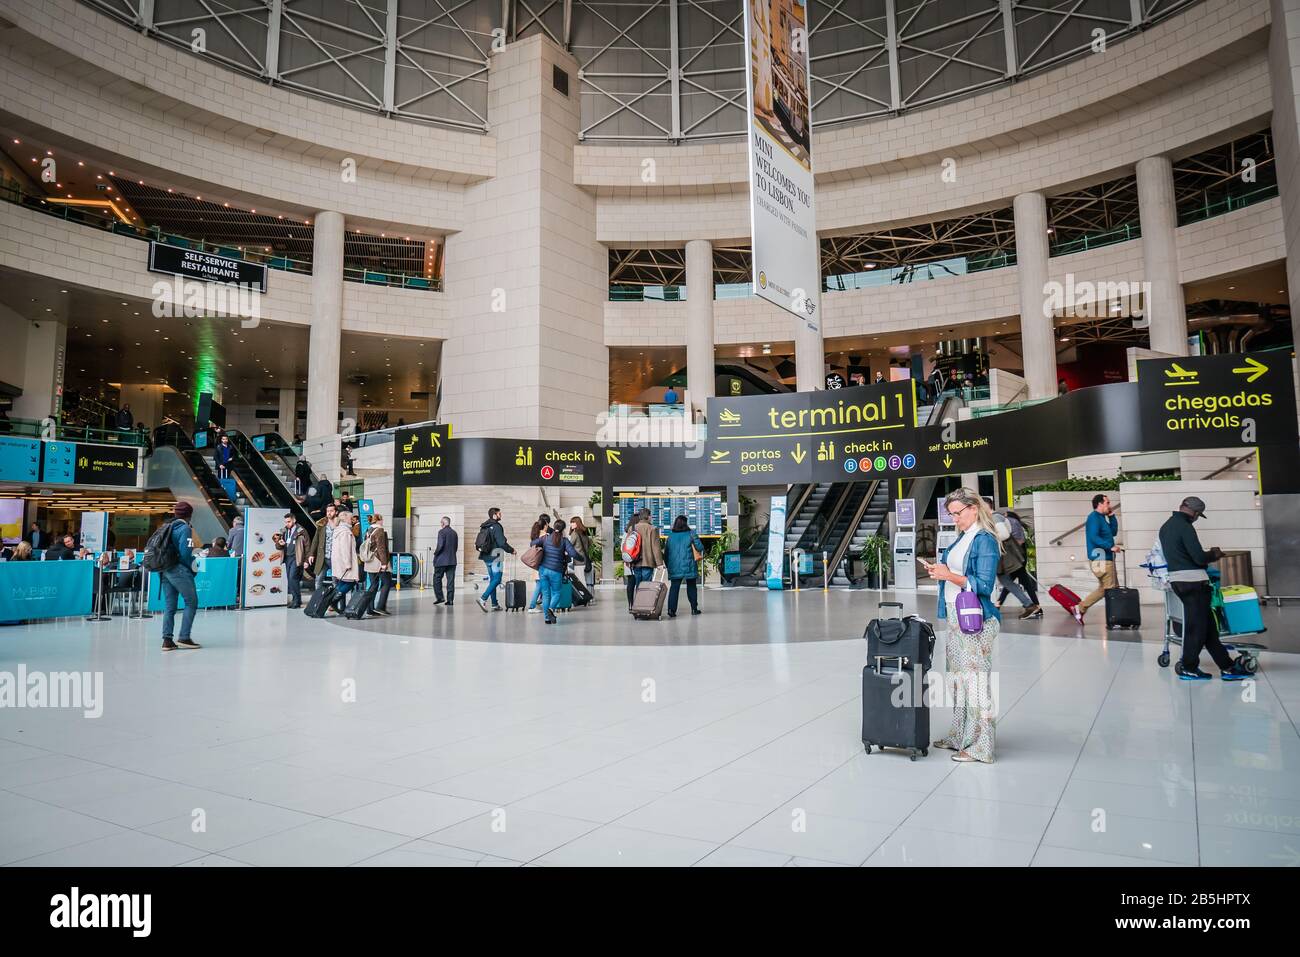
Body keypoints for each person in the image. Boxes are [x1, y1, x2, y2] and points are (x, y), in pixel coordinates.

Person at [926, 488, 1001, 764]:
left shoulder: (985, 540)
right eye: (951, 514)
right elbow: (954, 573)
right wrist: (940, 571)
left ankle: (982, 746)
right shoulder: (962, 538)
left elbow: (983, 585)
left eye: (957, 513)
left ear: (974, 508)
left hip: (976, 622)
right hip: (958, 620)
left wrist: (950, 575)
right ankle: (961, 735)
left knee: (976, 684)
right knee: (958, 682)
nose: (954, 518)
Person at [1160, 496, 1249, 681]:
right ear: (1195, 513)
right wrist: (1214, 554)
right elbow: (1199, 558)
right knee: (1197, 628)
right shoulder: (1186, 527)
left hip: (1178, 581)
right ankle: (1189, 667)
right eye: (1198, 515)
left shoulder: (1166, 527)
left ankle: (1228, 667)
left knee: (1207, 628)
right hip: (1193, 583)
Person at [158, 502, 202, 651]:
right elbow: (185, 553)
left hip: (164, 569)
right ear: (190, 514)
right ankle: (184, 637)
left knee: (170, 606)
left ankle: (167, 640)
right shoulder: (184, 528)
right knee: (191, 602)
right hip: (179, 569)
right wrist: (193, 567)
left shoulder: (167, 526)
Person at [986, 499, 1039, 619]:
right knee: (1007, 581)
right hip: (1008, 556)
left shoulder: (995, 518)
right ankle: (1030, 605)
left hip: (1004, 557)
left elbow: (1004, 534)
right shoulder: (997, 517)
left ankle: (1030, 605)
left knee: (1007, 581)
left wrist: (990, 537)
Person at [1076, 493, 1121, 623]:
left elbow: (1113, 532)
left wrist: (1112, 516)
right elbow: (1093, 537)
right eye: (1107, 503)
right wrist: (1110, 546)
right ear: (1100, 504)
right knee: (1110, 588)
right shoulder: (1094, 518)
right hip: (1100, 558)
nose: (1109, 505)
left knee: (1107, 588)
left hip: (1104, 558)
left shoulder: (1101, 518)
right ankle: (1114, 618)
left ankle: (1081, 608)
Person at [529, 520, 580, 625]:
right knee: (556, 593)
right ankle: (551, 609)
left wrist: (542, 546)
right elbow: (573, 553)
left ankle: (547, 618)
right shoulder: (564, 540)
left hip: (543, 570)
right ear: (563, 529)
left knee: (546, 594)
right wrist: (581, 557)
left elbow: (532, 543)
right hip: (556, 571)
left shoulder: (545, 538)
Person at [663, 515, 704, 617]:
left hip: (674, 566)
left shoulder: (670, 536)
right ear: (686, 523)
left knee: (674, 588)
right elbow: (700, 547)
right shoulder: (691, 534)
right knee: (691, 586)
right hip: (689, 565)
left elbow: (666, 554)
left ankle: (671, 610)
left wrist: (669, 566)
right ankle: (694, 608)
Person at [475, 507, 514, 612]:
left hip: (486, 556)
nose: (501, 515)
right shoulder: (496, 526)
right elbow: (501, 543)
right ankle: (483, 598)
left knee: (493, 580)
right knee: (497, 579)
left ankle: (494, 604)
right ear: (494, 515)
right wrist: (511, 550)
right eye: (499, 514)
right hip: (496, 555)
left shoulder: (484, 526)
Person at [625, 508, 665, 608]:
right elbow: (655, 547)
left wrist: (628, 560)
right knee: (646, 585)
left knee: (638, 585)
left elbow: (628, 545)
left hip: (635, 561)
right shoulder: (652, 529)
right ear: (648, 516)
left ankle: (637, 606)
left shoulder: (632, 528)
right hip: (648, 562)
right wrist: (659, 563)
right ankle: (645, 606)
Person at [357, 513, 392, 618]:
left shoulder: (368, 530)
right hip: (378, 561)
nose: (383, 521)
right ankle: (381, 607)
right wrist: (384, 563)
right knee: (387, 582)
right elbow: (381, 547)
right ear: (379, 520)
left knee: (373, 585)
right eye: (382, 519)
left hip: (370, 561)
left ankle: (370, 608)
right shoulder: (379, 530)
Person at [274, 513, 309, 609]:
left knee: (293, 577)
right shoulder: (284, 531)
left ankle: (297, 601)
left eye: (289, 521)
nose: (287, 524)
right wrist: (280, 544)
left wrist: (306, 560)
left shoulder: (301, 531)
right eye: (286, 522)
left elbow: (307, 546)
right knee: (290, 579)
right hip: (287, 557)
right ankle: (296, 599)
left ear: (294, 520)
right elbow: (277, 546)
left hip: (296, 557)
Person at [330, 510, 360, 614]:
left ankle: (332, 599)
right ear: (345, 518)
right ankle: (333, 600)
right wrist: (348, 564)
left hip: (338, 561)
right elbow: (345, 549)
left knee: (343, 581)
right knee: (351, 582)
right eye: (350, 518)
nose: (352, 520)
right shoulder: (346, 532)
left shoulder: (338, 530)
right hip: (345, 562)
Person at [526, 513, 552, 614]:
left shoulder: (536, 534)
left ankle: (538, 604)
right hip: (543, 565)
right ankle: (532, 606)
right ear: (545, 525)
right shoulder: (544, 536)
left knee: (540, 585)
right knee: (539, 586)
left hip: (537, 564)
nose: (548, 526)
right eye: (547, 524)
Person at [432, 515, 458, 607]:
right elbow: (455, 548)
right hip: (452, 560)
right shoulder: (454, 533)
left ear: (443, 523)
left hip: (441, 560)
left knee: (437, 578)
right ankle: (450, 600)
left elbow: (440, 546)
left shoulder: (441, 532)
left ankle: (440, 597)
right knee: (450, 580)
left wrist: (435, 554)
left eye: (441, 522)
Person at [309, 503, 339, 582]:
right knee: (318, 580)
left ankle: (336, 594)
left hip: (335, 557)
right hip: (323, 556)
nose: (329, 513)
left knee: (335, 580)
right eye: (327, 511)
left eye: (331, 511)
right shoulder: (322, 524)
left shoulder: (340, 525)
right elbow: (316, 540)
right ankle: (318, 595)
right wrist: (311, 554)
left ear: (336, 512)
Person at [569, 516, 592, 581]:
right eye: (571, 522)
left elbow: (569, 546)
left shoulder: (575, 534)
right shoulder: (584, 534)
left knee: (580, 581)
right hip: (586, 560)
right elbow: (590, 543)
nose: (571, 524)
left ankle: (582, 592)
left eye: (573, 522)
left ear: (577, 523)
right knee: (584, 580)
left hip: (578, 561)